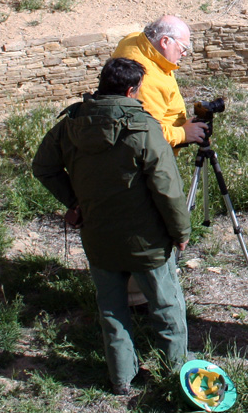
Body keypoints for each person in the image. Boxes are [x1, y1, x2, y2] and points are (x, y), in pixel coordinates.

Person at [32, 57, 191, 395]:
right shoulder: (144, 129)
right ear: (132, 91)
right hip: (147, 241)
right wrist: (181, 232)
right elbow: (167, 189)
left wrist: (75, 201)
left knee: (112, 310)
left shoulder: (71, 125)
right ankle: (175, 375)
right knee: (166, 308)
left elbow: (43, 167)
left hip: (98, 235)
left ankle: (121, 379)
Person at [111, 15, 207, 150]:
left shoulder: (132, 40)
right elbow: (144, 133)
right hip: (153, 157)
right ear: (165, 41)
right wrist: (183, 133)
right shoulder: (147, 81)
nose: (184, 54)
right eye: (183, 48)